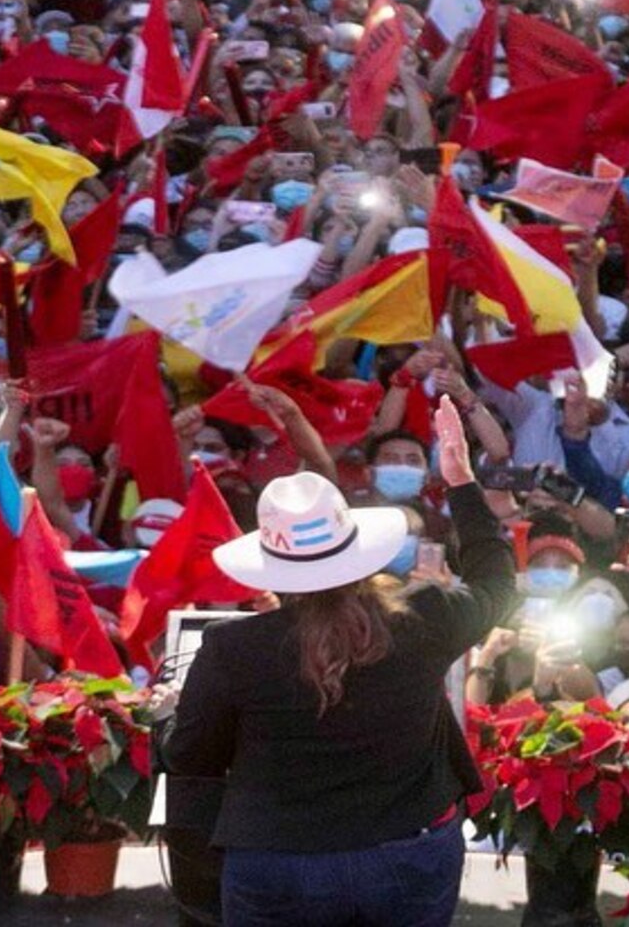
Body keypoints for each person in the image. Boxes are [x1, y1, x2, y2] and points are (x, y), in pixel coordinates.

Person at [165, 396, 518, 926]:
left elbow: (191, 757)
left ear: (272, 565)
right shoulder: (425, 615)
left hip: (276, 863)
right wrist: (461, 481)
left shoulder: (232, 648)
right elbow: (497, 585)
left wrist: (174, 713)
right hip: (409, 851)